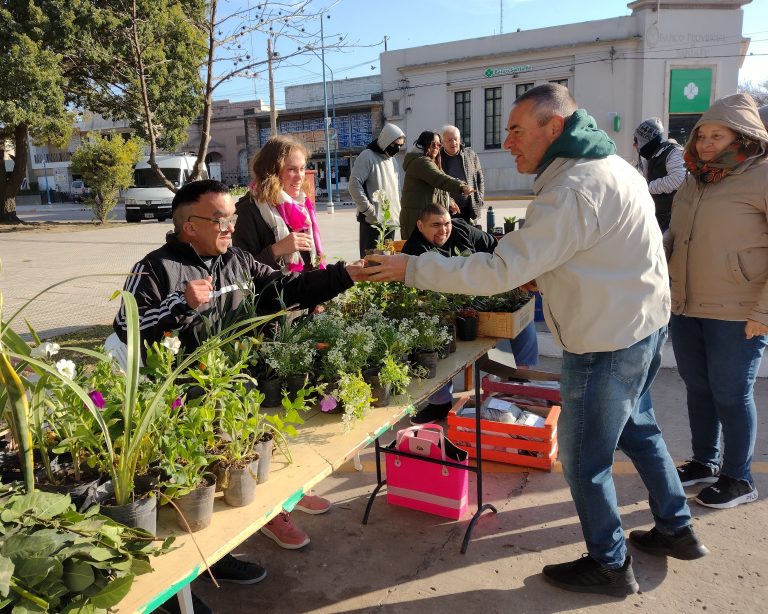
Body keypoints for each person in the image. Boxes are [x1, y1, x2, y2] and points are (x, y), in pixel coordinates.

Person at [364, 83, 707, 597]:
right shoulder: (611, 167)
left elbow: (499, 270)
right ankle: (677, 529)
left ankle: (610, 565)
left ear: (556, 127)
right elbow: (591, 251)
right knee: (639, 429)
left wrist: (409, 266)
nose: (508, 143)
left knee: (586, 463)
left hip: (605, 341)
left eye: (518, 130)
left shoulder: (571, 189)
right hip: (641, 325)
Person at [113, 179, 364, 610]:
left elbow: (286, 288)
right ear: (189, 226)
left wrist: (346, 275)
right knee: (186, 492)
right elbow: (126, 325)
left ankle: (220, 557)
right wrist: (180, 304)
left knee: (228, 483)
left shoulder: (238, 262)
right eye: (221, 218)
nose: (231, 225)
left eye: (232, 216)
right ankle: (177, 589)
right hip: (173, 399)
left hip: (226, 389)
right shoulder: (154, 268)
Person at [666, 93, 768, 509]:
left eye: (717, 135)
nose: (706, 142)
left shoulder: (761, 176)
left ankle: (739, 478)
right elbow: (677, 236)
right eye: (701, 135)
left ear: (741, 137)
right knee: (698, 388)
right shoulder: (695, 179)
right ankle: (705, 462)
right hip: (687, 305)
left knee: (731, 393)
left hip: (739, 310)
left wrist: (763, 311)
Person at [402, 203, 538, 425]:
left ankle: (521, 379)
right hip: (444, 310)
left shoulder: (461, 229)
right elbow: (418, 298)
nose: (443, 230)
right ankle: (440, 403)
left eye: (446, 224)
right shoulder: (413, 251)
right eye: (435, 225)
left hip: (482, 298)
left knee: (521, 316)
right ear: (420, 225)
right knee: (431, 338)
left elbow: (496, 248)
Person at [232, 135, 325, 274]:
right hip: (273, 293)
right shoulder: (247, 210)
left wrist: (344, 274)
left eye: (302, 168)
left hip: (304, 291)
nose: (300, 176)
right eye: (291, 169)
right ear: (271, 172)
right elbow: (241, 271)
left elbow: (310, 265)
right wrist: (276, 250)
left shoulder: (301, 206)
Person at [399, 130, 474, 240]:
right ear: (424, 144)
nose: (436, 148)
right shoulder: (421, 162)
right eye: (433, 144)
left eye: (439, 145)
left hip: (425, 217)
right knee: (419, 255)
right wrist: (461, 186)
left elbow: (437, 187)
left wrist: (449, 200)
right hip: (418, 218)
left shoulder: (430, 161)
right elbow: (440, 179)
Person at [349, 123, 406, 257]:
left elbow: (396, 189)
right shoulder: (367, 156)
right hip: (372, 222)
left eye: (400, 145)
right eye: (395, 145)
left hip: (391, 221)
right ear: (386, 141)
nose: (397, 149)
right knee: (371, 263)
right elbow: (354, 185)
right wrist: (369, 211)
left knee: (386, 263)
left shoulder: (392, 160)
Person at [633, 117, 686, 232]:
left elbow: (679, 179)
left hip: (671, 219)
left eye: (636, 140)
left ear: (646, 140)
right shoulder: (652, 156)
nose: (634, 145)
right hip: (658, 217)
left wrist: (646, 187)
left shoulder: (673, 152)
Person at [440, 125, 485, 224]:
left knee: (470, 236)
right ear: (442, 142)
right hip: (448, 208)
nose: (453, 143)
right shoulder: (438, 158)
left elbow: (480, 177)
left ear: (459, 139)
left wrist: (480, 197)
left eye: (455, 139)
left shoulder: (471, 155)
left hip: (470, 207)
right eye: (449, 140)